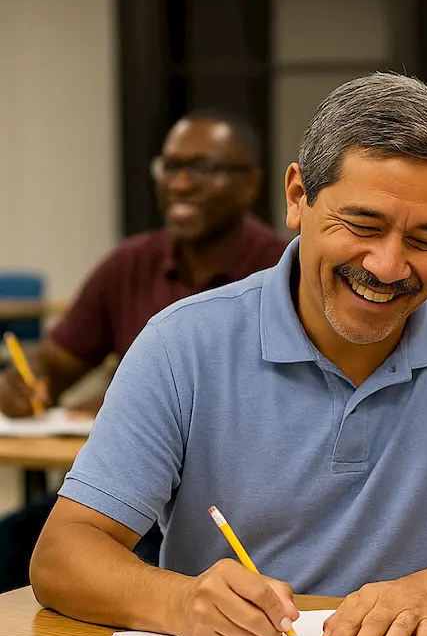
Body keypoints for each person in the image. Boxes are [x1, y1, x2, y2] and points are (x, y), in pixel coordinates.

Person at [30, 73, 427, 636]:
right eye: (362, 224)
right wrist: (178, 603)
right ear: (297, 197)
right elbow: (63, 554)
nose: (387, 266)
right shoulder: (184, 343)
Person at [0, 110, 288, 594]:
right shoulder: (129, 264)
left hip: (223, 510)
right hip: (129, 489)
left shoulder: (283, 271)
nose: (180, 182)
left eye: (203, 168)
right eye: (170, 167)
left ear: (251, 184)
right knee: (19, 549)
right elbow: (53, 368)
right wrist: (18, 383)